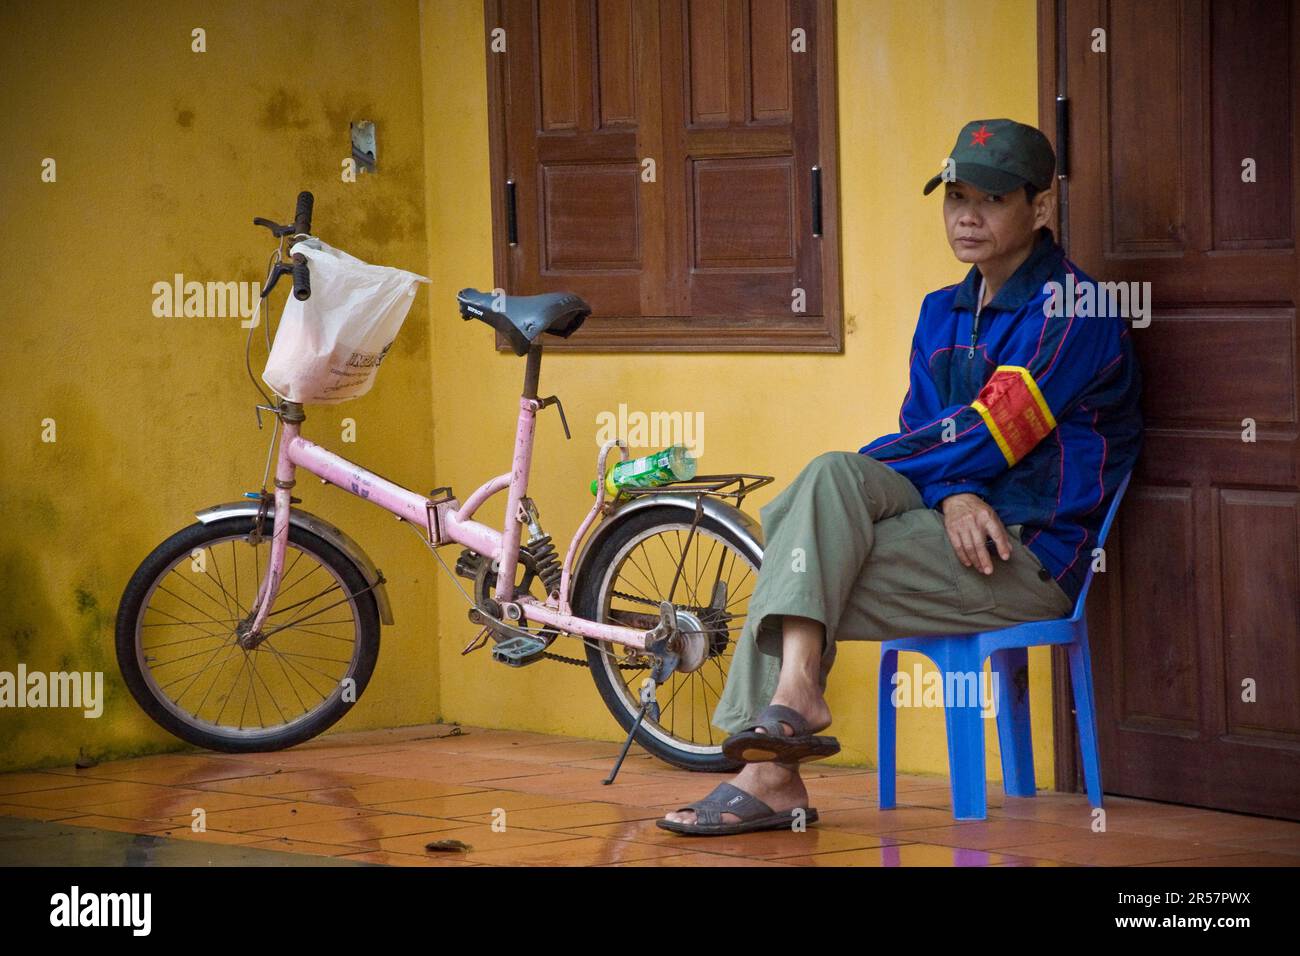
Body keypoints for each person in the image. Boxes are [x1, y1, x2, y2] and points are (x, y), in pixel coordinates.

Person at [658, 118, 1143, 836]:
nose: (966, 216)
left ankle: (770, 770)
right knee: (827, 486)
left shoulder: (1077, 310)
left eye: (992, 199)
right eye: (954, 198)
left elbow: (983, 434)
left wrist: (946, 479)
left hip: (1025, 551)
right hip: (950, 531)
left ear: (1040, 208)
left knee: (808, 555)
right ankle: (792, 705)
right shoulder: (939, 312)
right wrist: (953, 490)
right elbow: (931, 434)